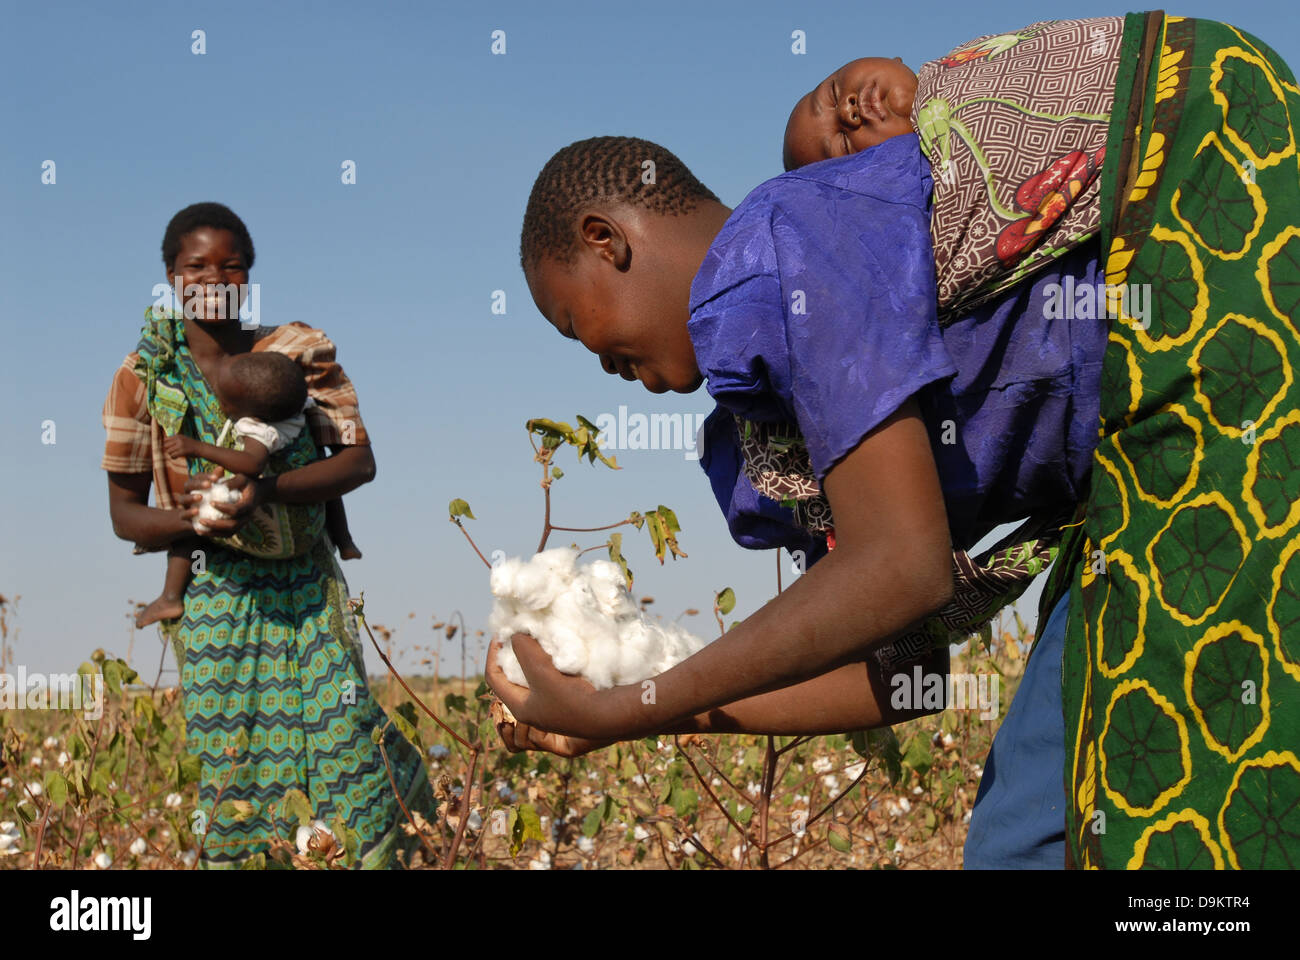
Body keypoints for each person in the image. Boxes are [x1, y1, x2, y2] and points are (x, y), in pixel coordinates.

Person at [489, 12, 1300, 871]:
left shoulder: (775, 246)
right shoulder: (771, 438)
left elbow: (904, 563)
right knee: (1025, 837)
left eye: (578, 326)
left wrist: (636, 705)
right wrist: (648, 697)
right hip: (1126, 459)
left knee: (1183, 806)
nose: (601, 367)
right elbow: (900, 675)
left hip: (1202, 216)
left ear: (605, 240)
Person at [103, 202, 434, 868]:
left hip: (309, 585)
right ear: (171, 276)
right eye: (197, 265)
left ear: (250, 276)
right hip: (217, 595)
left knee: (344, 739)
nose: (214, 279)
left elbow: (358, 461)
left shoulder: (295, 354)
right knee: (238, 763)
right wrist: (198, 521)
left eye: (233, 265)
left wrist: (268, 491)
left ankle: (400, 847)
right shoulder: (142, 378)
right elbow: (124, 516)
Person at [135, 351, 362, 629]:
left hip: (274, 522)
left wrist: (197, 448)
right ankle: (345, 540)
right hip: (310, 522)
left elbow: (251, 463)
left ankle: (170, 596)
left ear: (245, 409)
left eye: (225, 400)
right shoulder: (297, 406)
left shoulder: (258, 428)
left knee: (192, 529)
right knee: (325, 480)